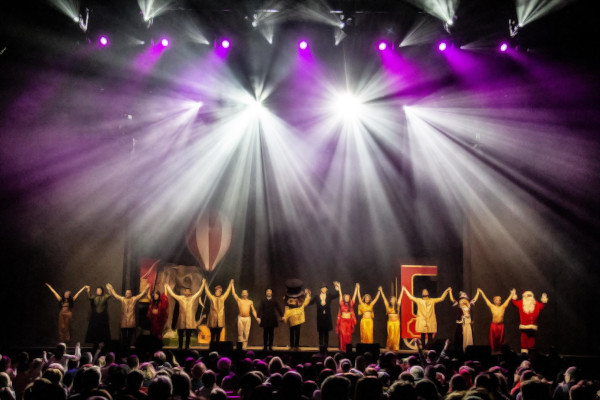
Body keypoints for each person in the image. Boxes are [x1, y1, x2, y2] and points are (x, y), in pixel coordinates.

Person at [165, 280, 205, 349]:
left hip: (189, 321)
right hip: (181, 320)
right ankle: (180, 346)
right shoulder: (181, 298)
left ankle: (187, 346)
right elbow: (173, 294)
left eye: (188, 291)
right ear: (184, 292)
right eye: (186, 291)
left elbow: (199, 293)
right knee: (180, 335)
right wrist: (167, 287)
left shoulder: (192, 298)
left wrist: (203, 284)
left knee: (188, 335)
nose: (187, 292)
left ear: (190, 293)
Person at [106, 283, 149, 347]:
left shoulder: (134, 299)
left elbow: (141, 294)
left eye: (129, 293)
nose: (127, 294)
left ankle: (128, 348)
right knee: (124, 337)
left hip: (131, 321)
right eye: (126, 293)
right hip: (124, 321)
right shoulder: (122, 299)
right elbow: (115, 295)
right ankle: (124, 348)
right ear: (125, 294)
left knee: (130, 337)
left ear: (131, 294)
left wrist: (146, 288)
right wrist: (111, 288)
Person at [477, 288, 515, 352]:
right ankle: (494, 351)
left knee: (501, 339)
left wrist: (512, 294)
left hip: (500, 325)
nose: (499, 301)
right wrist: (481, 292)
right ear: (494, 301)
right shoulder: (492, 306)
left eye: (500, 300)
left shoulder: (503, 307)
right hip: (494, 325)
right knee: (493, 339)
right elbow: (486, 299)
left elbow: (508, 300)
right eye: (497, 300)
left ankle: (500, 351)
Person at [308, 281, 340, 352]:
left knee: (326, 332)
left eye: (325, 288)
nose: (324, 289)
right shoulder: (317, 296)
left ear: (327, 289)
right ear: (320, 289)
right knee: (320, 332)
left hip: (327, 317)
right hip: (320, 317)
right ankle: (321, 346)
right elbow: (310, 303)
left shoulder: (329, 295)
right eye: (322, 288)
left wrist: (337, 287)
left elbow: (337, 295)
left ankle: (326, 346)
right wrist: (308, 295)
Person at [282, 285, 311, 351]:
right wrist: (285, 318)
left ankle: (296, 346)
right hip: (291, 319)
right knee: (292, 333)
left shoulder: (300, 302)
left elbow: (305, 302)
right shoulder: (288, 303)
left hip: (298, 319)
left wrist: (308, 295)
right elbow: (286, 311)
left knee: (297, 333)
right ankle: (292, 346)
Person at [231, 283, 260, 349]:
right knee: (240, 333)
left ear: (247, 294)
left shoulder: (250, 301)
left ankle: (244, 346)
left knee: (246, 333)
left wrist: (256, 318)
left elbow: (253, 310)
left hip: (247, 318)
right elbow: (234, 294)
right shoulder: (239, 300)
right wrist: (232, 285)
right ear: (241, 294)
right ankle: (240, 346)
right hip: (240, 318)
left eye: (245, 293)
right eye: (243, 293)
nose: (244, 294)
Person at [335, 283, 358, 352]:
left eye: (348, 297)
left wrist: (356, 288)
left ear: (349, 298)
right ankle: (342, 348)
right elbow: (340, 294)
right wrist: (339, 287)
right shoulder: (341, 303)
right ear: (344, 298)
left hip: (349, 321)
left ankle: (347, 348)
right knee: (342, 334)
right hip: (342, 321)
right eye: (345, 297)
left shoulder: (351, 304)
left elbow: (354, 296)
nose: (346, 298)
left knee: (348, 335)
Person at [379, 287, 403, 351]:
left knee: (396, 335)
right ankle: (389, 346)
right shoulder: (388, 306)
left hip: (397, 322)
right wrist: (381, 291)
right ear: (390, 301)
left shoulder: (397, 306)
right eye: (392, 299)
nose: (393, 300)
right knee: (391, 335)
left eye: (394, 299)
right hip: (390, 322)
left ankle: (396, 347)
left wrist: (402, 290)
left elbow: (400, 298)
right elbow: (384, 299)